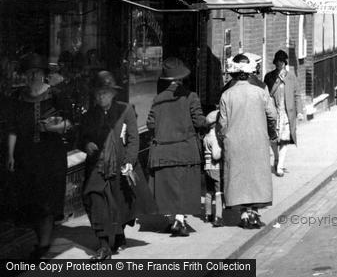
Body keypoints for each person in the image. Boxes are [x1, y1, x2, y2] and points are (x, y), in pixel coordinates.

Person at [5, 53, 72, 260]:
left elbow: (69, 124)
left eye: (36, 72)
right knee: (31, 202)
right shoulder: (17, 98)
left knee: (46, 201)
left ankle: (43, 245)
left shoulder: (56, 95)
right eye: (29, 73)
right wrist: (10, 155)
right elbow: (12, 129)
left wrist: (54, 127)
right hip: (26, 157)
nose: (32, 76)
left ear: (43, 74)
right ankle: (42, 241)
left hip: (50, 156)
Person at [79, 71, 146, 260]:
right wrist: (86, 144)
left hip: (119, 166)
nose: (101, 97)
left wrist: (129, 163)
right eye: (98, 93)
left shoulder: (125, 110)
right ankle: (103, 245)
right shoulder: (89, 116)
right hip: (96, 167)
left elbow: (133, 139)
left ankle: (117, 235)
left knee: (119, 205)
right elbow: (80, 138)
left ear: (113, 93)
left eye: (105, 93)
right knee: (94, 200)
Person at [146, 57, 207, 237]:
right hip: (186, 150)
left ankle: (174, 220)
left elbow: (150, 124)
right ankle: (180, 220)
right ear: (182, 78)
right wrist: (210, 121)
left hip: (163, 151)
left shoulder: (158, 99)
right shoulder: (191, 97)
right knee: (184, 186)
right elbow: (199, 121)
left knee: (169, 187)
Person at [219, 54, 278, 229]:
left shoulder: (226, 94)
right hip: (257, 139)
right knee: (256, 176)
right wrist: (270, 130)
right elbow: (272, 115)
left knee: (239, 177)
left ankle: (244, 214)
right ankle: (254, 213)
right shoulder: (261, 91)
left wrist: (225, 137)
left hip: (235, 141)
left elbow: (222, 123)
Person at [264, 50, 304, 178]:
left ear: (285, 62)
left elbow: (297, 95)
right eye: (277, 61)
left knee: (285, 140)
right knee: (273, 139)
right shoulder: (269, 77)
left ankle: (280, 166)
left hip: (287, 114)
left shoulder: (291, 77)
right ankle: (276, 158)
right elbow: (266, 94)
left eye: (282, 61)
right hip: (274, 113)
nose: (279, 64)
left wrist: (300, 112)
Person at [202, 110, 223, 228]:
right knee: (219, 192)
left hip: (207, 168)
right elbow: (216, 155)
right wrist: (222, 151)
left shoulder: (206, 137)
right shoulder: (215, 138)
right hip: (216, 168)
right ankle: (218, 217)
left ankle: (207, 215)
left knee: (209, 192)